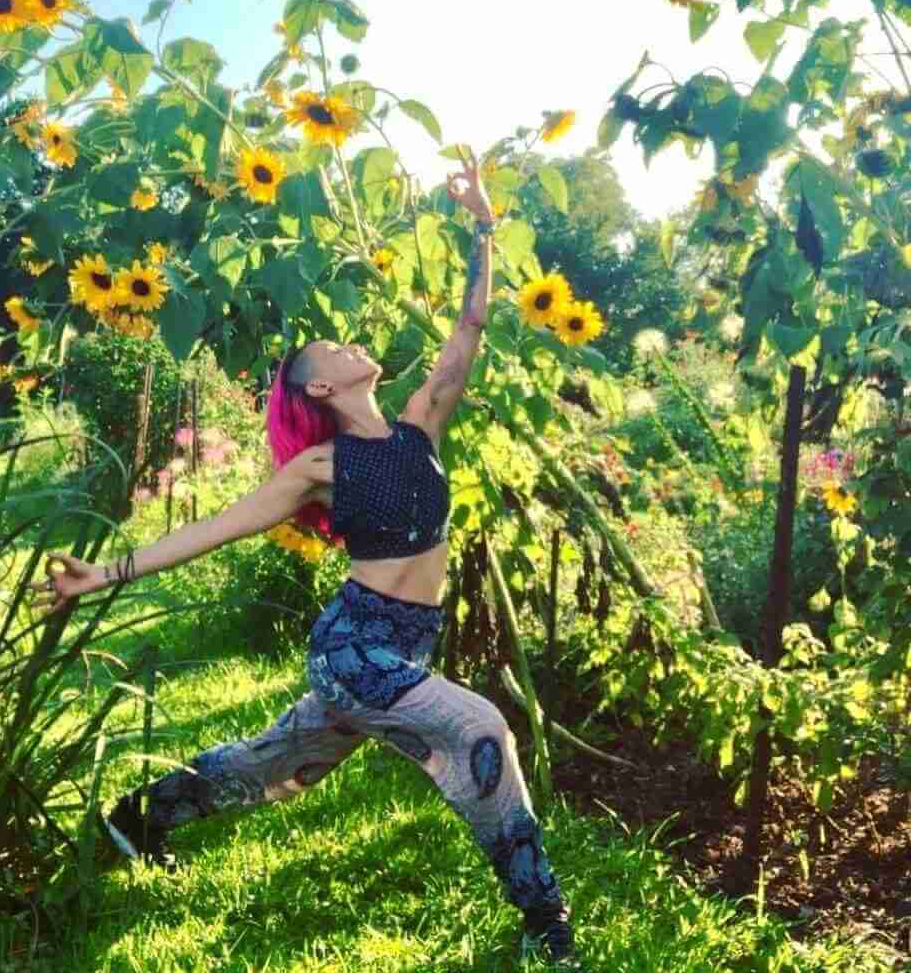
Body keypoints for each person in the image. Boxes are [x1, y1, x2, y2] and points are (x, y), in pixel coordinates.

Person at [32, 151, 584, 968]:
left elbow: (469, 327)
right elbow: (216, 526)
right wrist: (104, 574)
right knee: (480, 727)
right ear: (320, 389)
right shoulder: (316, 471)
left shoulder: (418, 426)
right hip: (353, 645)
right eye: (331, 345)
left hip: (407, 642)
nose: (348, 341)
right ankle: (548, 924)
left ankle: (132, 820)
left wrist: (483, 224)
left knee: (276, 764)